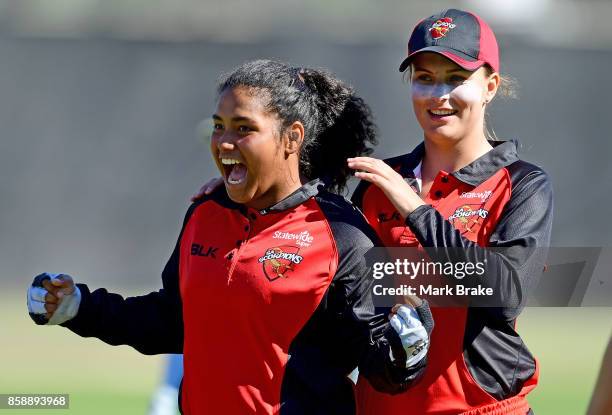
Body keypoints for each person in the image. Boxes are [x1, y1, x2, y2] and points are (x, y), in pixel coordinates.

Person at [26, 59, 434, 415]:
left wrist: (408, 352)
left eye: (244, 128)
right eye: (220, 126)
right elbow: (172, 321)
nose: (224, 141)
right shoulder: (205, 213)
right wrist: (78, 307)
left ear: (292, 138)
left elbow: (378, 361)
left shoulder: (342, 235)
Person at [347, 9, 553, 415]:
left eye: (456, 79)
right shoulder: (377, 184)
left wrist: (415, 209)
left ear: (490, 86)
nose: (438, 94)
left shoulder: (522, 184)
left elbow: (505, 294)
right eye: (424, 78)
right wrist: (240, 193)